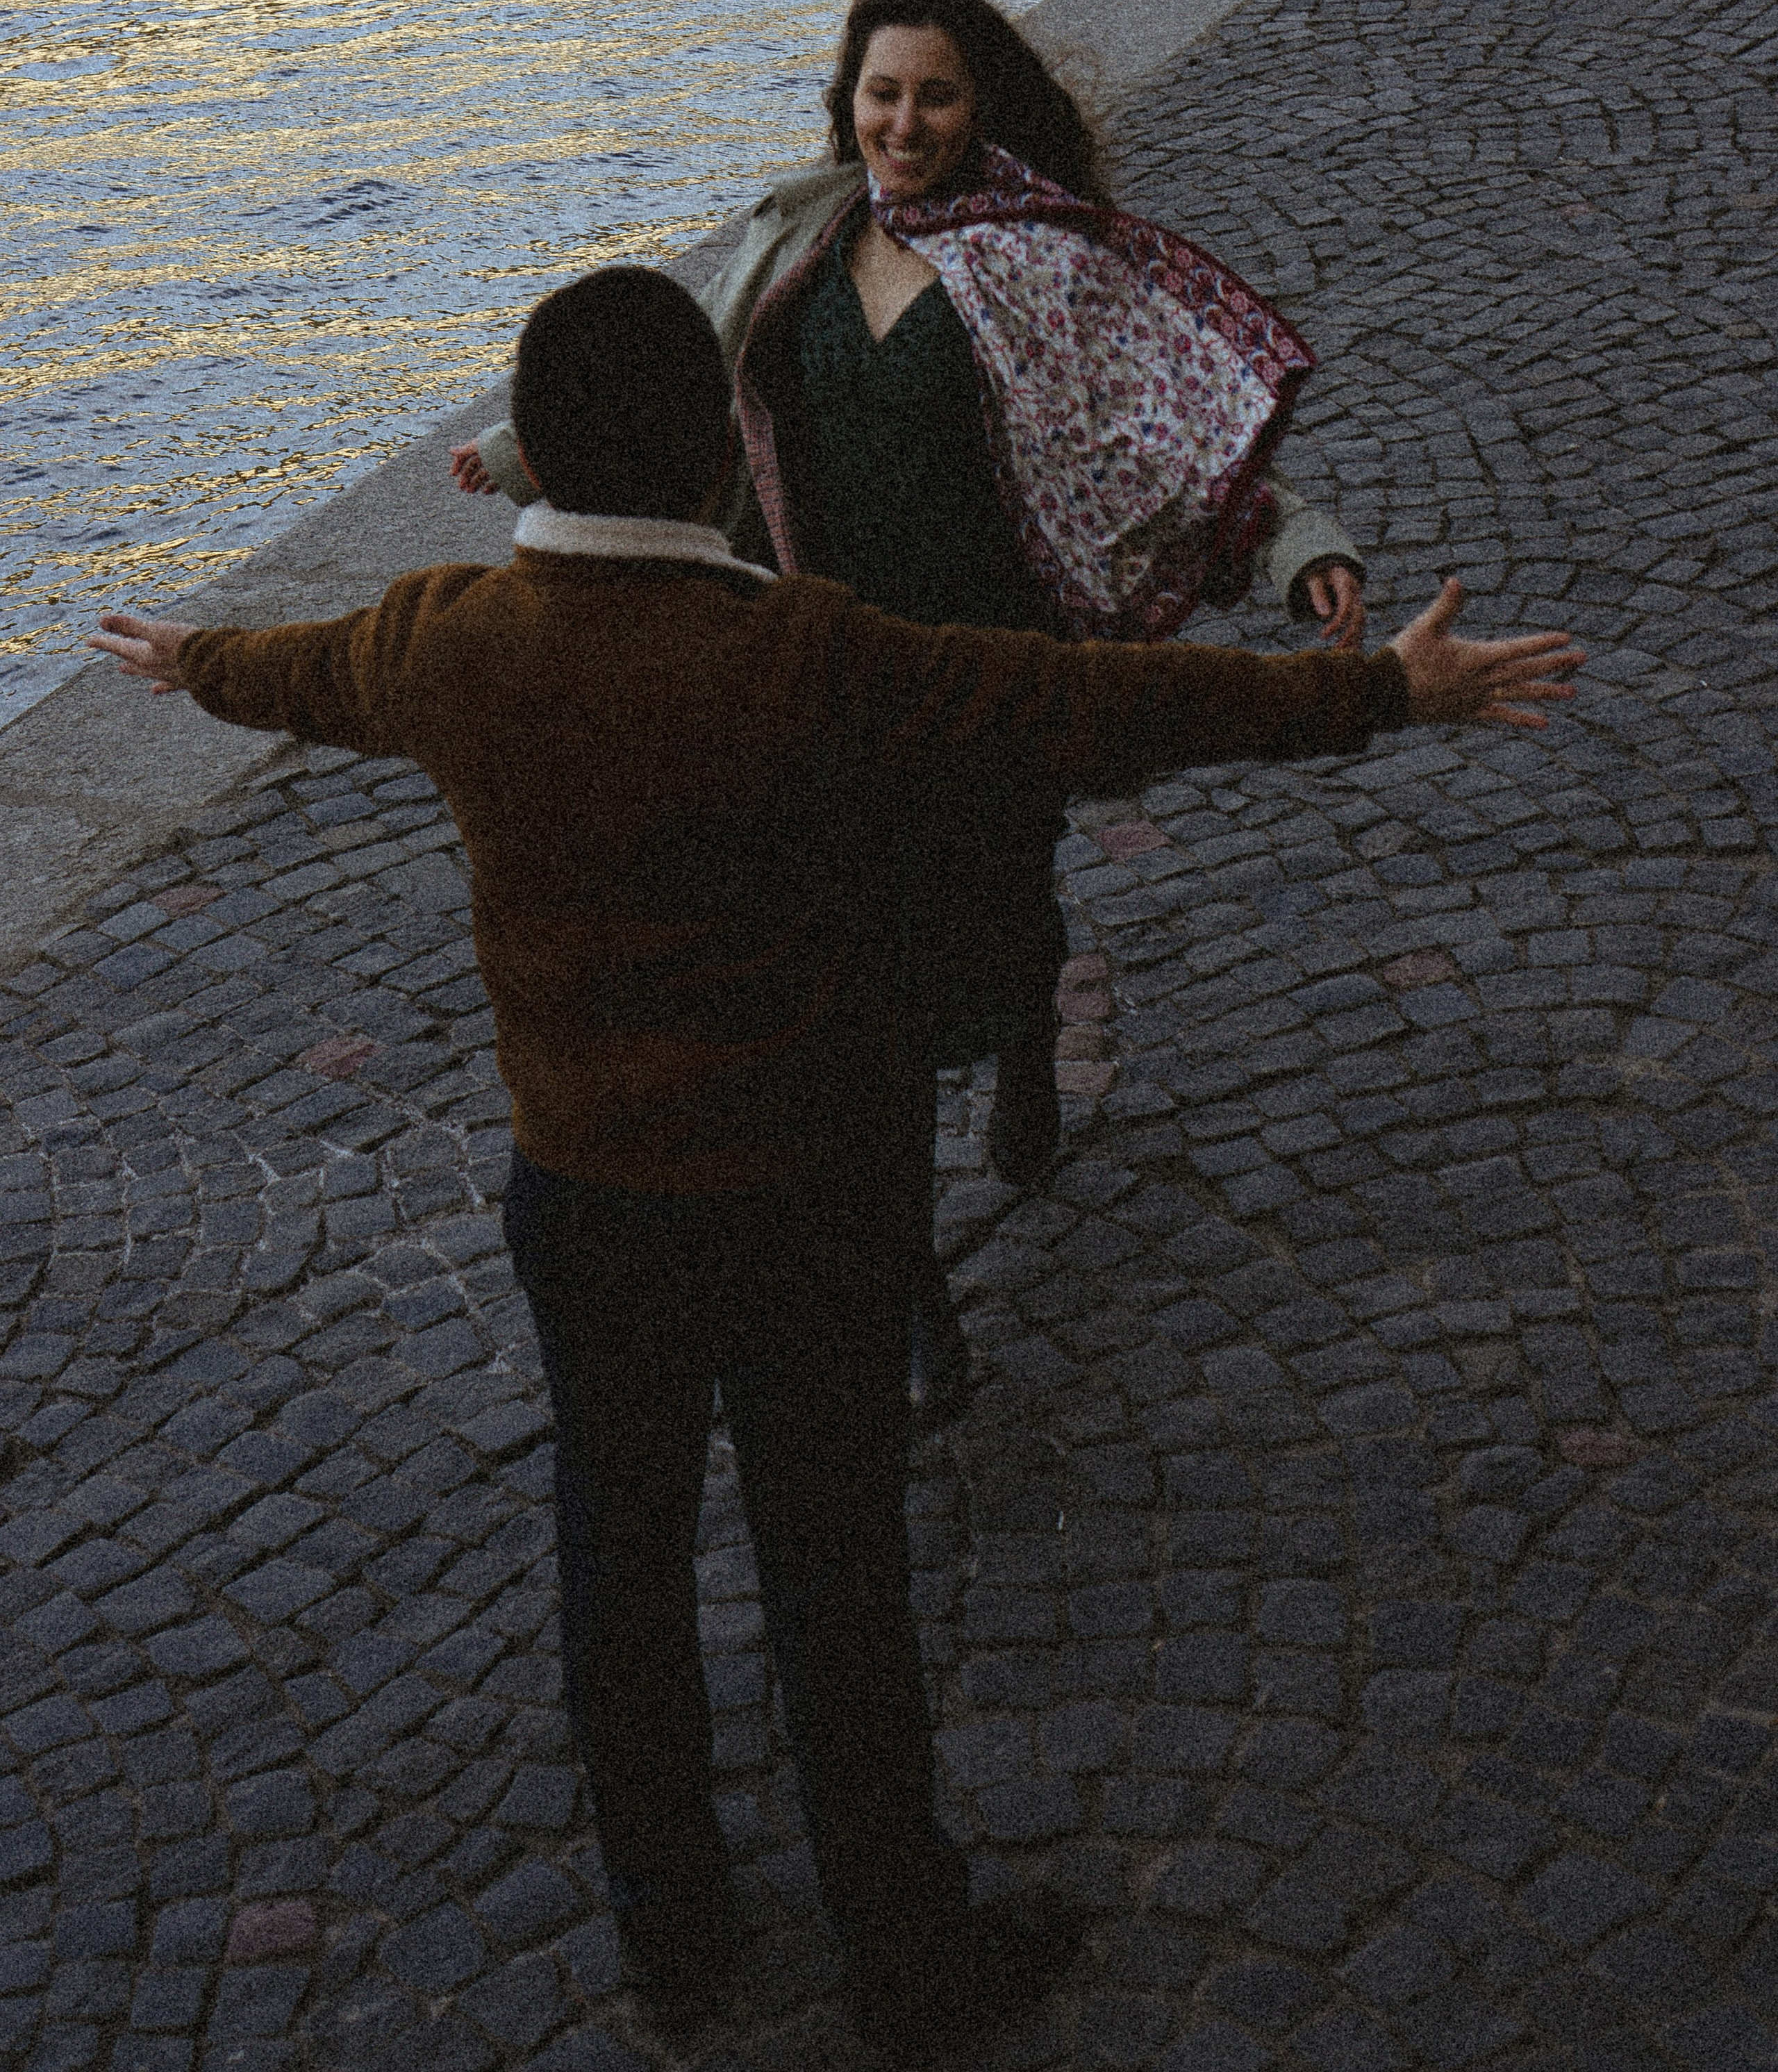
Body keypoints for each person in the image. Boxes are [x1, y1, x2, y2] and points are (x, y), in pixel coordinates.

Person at [96, 270, 1578, 2059]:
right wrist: (1376, 702)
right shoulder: (808, 656)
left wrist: (191, 667)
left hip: (587, 1194)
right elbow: (1084, 706)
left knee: (615, 1556)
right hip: (805, 1192)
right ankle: (902, 1947)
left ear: (536, 449)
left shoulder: (446, 639)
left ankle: (675, 1936)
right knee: (835, 1581)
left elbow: (298, 674)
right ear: (721, 460)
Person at [453, 0, 1370, 1414]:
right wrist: (524, 454)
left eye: (933, 97)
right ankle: (910, 1297)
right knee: (856, 1014)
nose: (903, 124)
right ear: (847, 102)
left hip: (990, 675)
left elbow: (1167, 454)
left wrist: (1300, 549)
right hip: (824, 678)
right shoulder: (800, 241)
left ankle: (1020, 1036)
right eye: (880, 95)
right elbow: (673, 379)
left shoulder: (1038, 270)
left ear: (978, 108)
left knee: (998, 928)